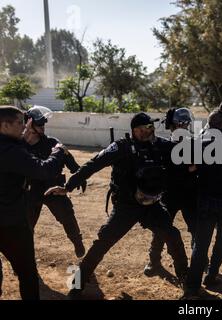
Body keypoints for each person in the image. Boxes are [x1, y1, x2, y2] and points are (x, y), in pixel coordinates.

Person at [46, 113, 188, 298]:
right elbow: (93, 164)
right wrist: (68, 186)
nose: (150, 131)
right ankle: (78, 283)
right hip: (126, 207)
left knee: (172, 235)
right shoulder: (121, 147)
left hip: (151, 205)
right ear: (136, 130)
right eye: (146, 128)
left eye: (151, 127)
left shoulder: (160, 145)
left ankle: (188, 281)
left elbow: (184, 152)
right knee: (103, 242)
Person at [0, 105, 66, 300]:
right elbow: (43, 170)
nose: (25, 127)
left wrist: (22, 143)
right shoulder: (11, 150)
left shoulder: (12, 146)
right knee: (27, 273)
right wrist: (58, 151)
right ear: (4, 125)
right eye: (20, 123)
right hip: (10, 223)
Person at [182, 110, 222, 299]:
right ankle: (211, 276)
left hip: (206, 199)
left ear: (209, 124)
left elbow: (190, 168)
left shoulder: (199, 143)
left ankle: (192, 287)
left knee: (201, 244)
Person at [23, 106, 85, 258]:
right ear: (29, 124)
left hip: (53, 189)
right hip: (30, 191)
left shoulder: (52, 142)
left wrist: (79, 176)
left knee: (67, 217)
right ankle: (26, 258)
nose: (42, 127)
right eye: (39, 124)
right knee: (25, 227)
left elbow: (70, 160)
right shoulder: (19, 146)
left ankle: (77, 241)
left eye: (44, 124)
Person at [144, 107, 198, 276]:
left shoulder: (191, 144)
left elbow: (196, 167)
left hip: (189, 194)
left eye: (185, 124)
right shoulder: (166, 145)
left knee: (196, 229)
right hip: (171, 193)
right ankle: (154, 260)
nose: (183, 126)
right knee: (162, 227)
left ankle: (200, 261)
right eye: (181, 124)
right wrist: (187, 168)